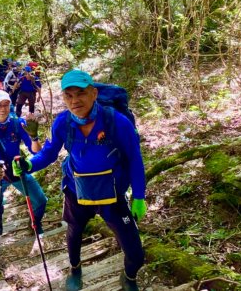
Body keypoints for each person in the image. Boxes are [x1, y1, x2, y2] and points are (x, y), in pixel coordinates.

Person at [12, 70, 146, 291]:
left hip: (111, 194)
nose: (75, 101)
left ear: (94, 93)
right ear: (64, 98)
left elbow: (134, 160)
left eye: (81, 93)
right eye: (69, 95)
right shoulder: (62, 123)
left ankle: (129, 277)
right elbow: (49, 153)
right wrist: (29, 164)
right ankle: (75, 269)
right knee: (74, 232)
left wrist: (139, 197)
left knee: (136, 254)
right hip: (77, 190)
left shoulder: (117, 122)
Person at [0, 90, 47, 237]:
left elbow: (36, 152)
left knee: (40, 200)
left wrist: (34, 137)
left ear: (10, 105)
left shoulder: (18, 124)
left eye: (6, 104)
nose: (2, 108)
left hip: (17, 171)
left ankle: (35, 223)